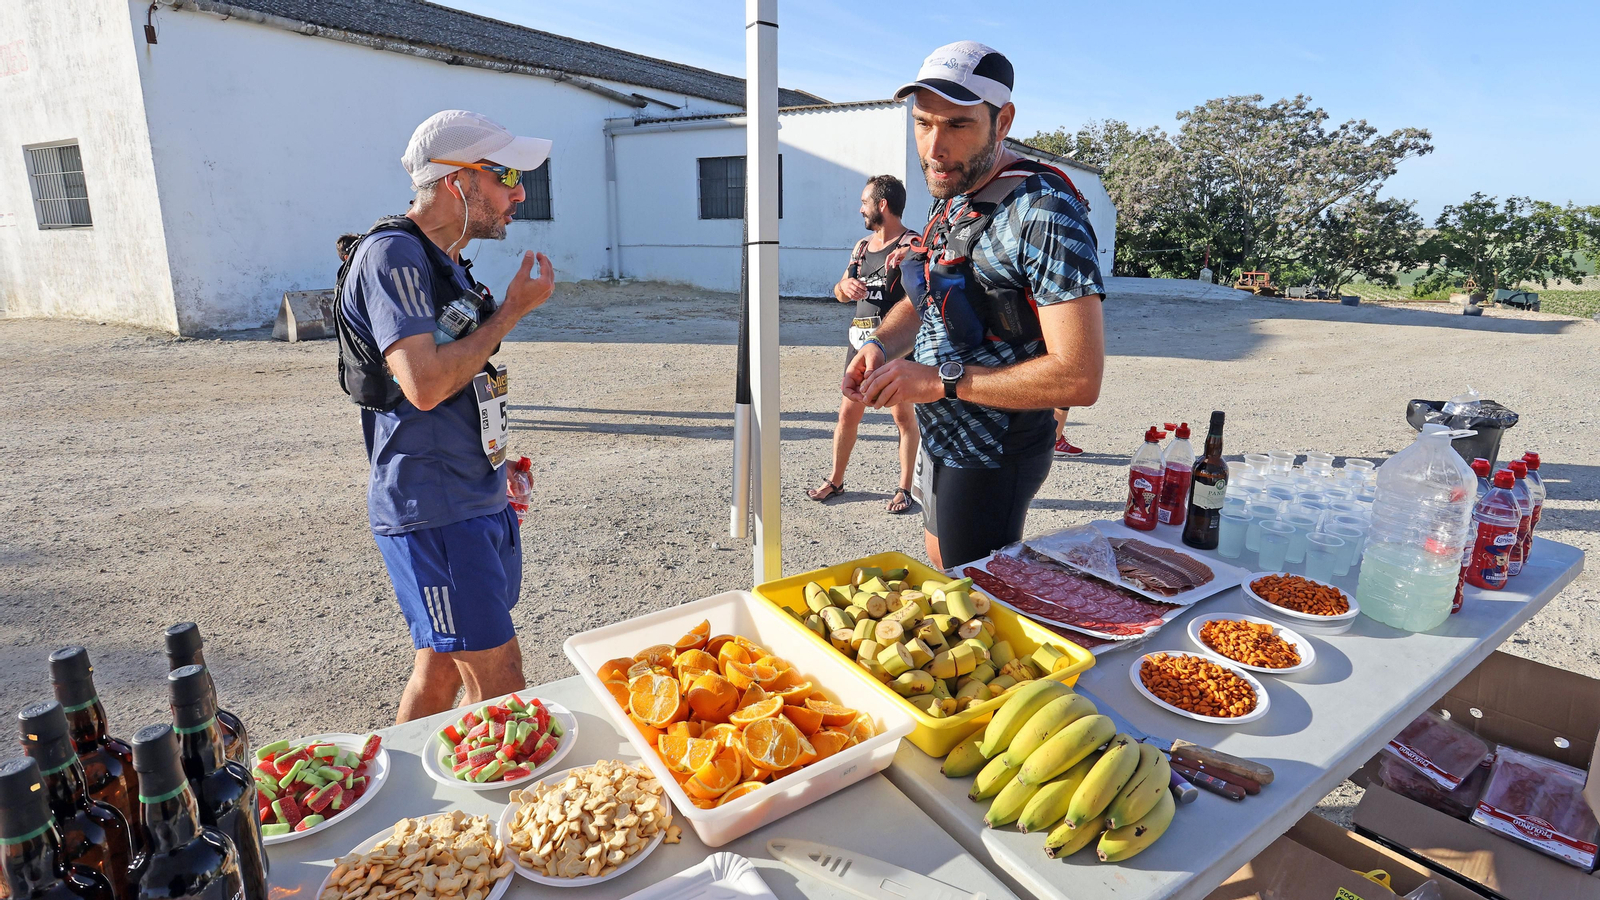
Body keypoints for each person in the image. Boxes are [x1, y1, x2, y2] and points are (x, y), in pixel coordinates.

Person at [844, 41, 1106, 568]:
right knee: (942, 566)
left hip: (994, 452)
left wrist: (940, 382)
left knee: (972, 596)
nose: (935, 147)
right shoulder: (953, 193)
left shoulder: (1044, 211)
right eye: (923, 123)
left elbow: (1080, 377)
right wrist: (881, 344)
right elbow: (928, 297)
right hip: (941, 437)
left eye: (958, 125)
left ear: (1002, 122)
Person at [335, 109, 556, 723]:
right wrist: (511, 312)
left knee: (438, 671)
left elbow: (456, 378)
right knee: (501, 682)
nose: (519, 193)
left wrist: (493, 459)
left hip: (467, 491)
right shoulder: (394, 255)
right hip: (436, 507)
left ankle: (401, 781)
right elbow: (425, 384)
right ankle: (496, 790)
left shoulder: (444, 260)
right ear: (457, 181)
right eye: (505, 175)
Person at [808, 175, 921, 514]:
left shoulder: (912, 245)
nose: (860, 209)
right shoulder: (861, 247)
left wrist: (911, 258)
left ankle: (904, 489)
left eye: (864, 202)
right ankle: (836, 480)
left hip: (894, 346)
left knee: (903, 417)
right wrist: (845, 287)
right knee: (847, 413)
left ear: (882, 205)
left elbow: (922, 297)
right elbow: (839, 291)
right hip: (859, 342)